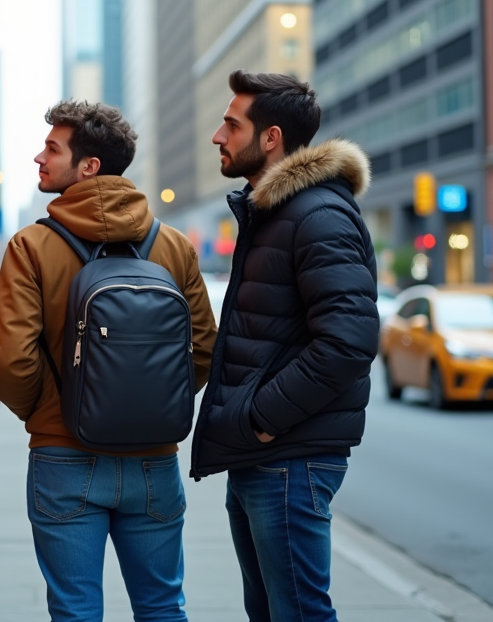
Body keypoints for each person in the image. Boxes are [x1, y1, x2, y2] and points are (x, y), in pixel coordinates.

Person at [0, 100, 217, 621]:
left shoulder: (33, 245)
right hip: (155, 459)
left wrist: (53, 414)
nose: (38, 158)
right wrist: (152, 405)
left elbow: (8, 358)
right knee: (162, 608)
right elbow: (202, 349)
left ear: (89, 166)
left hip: (64, 457)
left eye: (52, 148)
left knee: (75, 610)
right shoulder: (173, 245)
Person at [190, 70, 379, 622]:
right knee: (272, 612)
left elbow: (347, 343)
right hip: (264, 456)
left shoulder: (316, 213)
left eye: (231, 124)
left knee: (297, 613)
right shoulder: (272, 211)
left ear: (270, 138)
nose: (217, 136)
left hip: (287, 459)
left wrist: (259, 418)